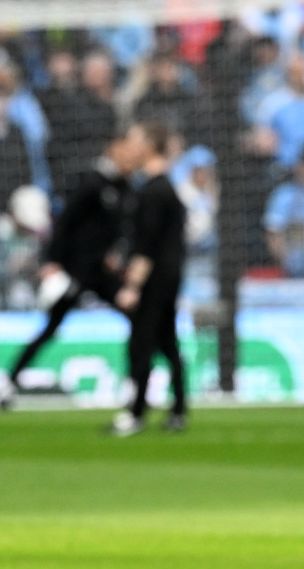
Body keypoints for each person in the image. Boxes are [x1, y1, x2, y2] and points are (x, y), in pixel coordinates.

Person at [1, 136, 136, 408]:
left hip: (101, 272)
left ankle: (137, 383)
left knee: (137, 319)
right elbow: (66, 223)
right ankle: (9, 381)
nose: (131, 157)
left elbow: (122, 229)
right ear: (111, 150)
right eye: (126, 151)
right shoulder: (91, 183)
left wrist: (118, 255)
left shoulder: (124, 187)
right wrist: (53, 261)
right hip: (78, 272)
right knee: (51, 327)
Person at [111, 121, 188, 437]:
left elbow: (147, 245)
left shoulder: (153, 191)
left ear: (149, 146)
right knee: (168, 342)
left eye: (135, 141)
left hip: (155, 278)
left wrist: (132, 285)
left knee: (142, 342)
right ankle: (179, 409)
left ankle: (137, 411)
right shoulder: (167, 187)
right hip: (170, 275)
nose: (130, 148)